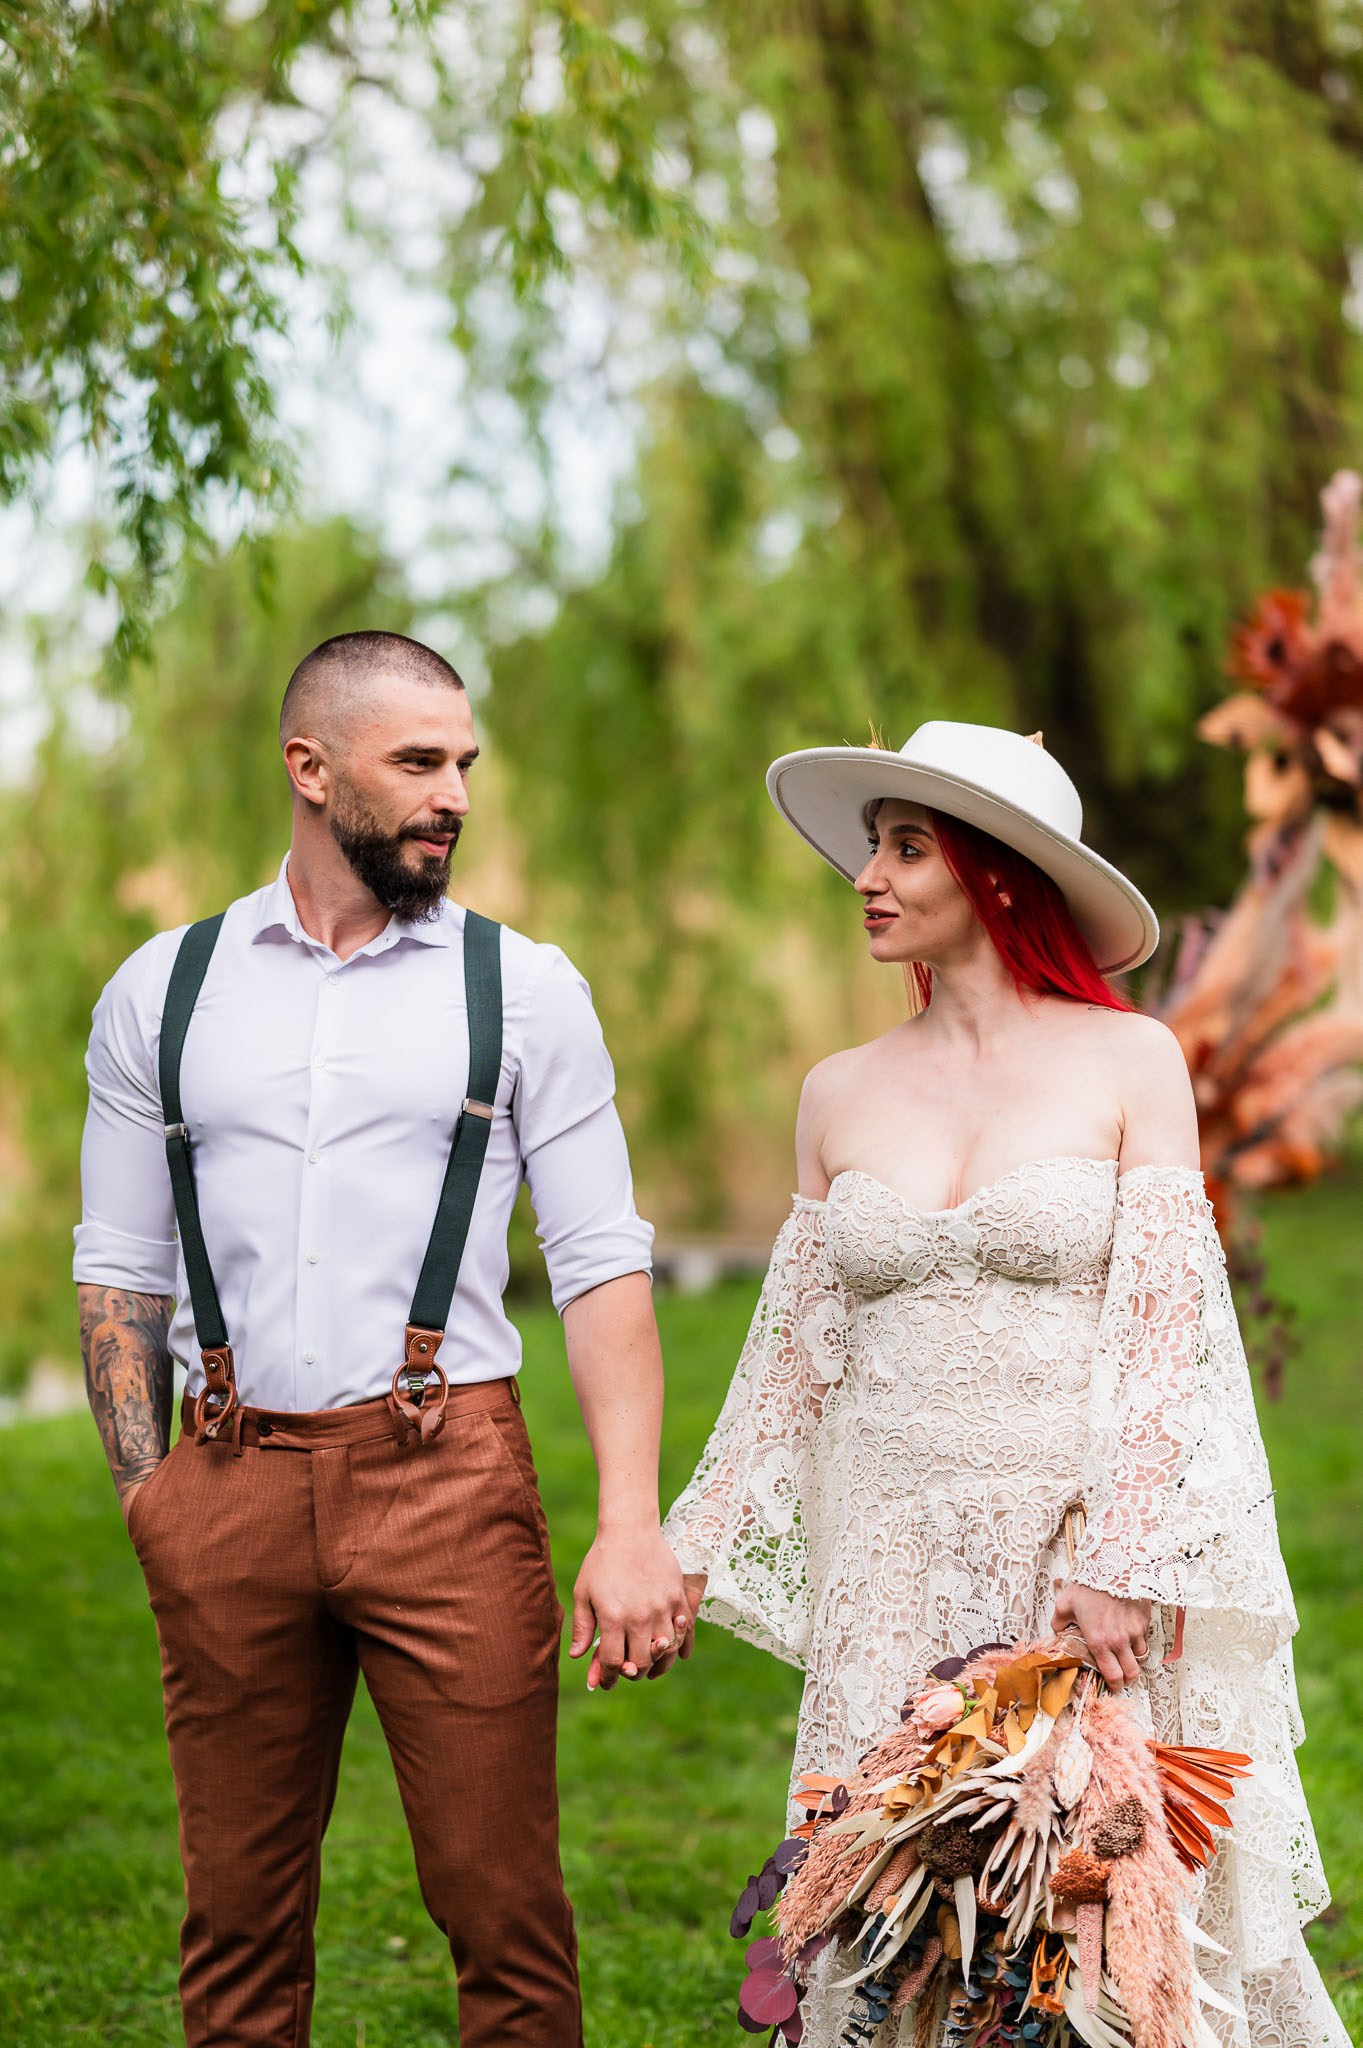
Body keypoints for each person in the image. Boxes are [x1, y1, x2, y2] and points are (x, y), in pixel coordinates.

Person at [663, 721, 1348, 2046]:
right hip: (892, 1562)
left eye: (907, 847)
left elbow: (1167, 1331)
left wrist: (1126, 1556)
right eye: (873, 846)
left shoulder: (1128, 1061)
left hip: (1074, 1557)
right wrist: (680, 1548)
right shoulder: (836, 1092)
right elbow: (792, 1357)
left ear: (996, 874)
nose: (869, 874)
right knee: (901, 1910)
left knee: (1090, 1911)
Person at [75, 630, 692, 2048]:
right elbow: (121, 1266)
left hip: (447, 1483)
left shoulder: (523, 989)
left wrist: (630, 1521)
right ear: (310, 768)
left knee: (503, 1916)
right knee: (236, 1930)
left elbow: (601, 1263)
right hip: (223, 1479)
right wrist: (149, 1496)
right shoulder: (163, 991)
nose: (453, 795)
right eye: (418, 763)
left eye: (464, 764)